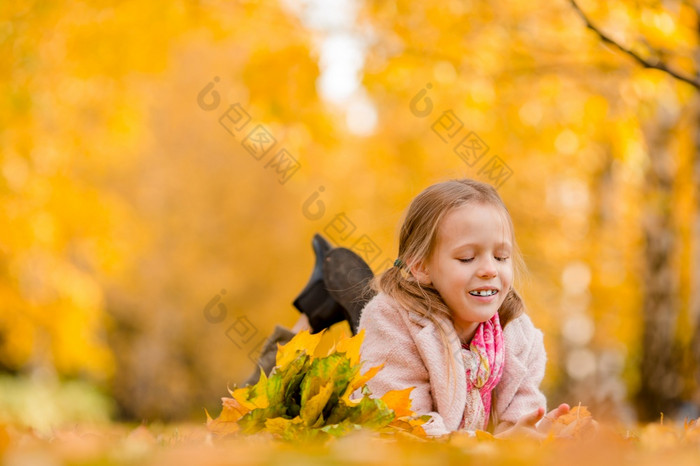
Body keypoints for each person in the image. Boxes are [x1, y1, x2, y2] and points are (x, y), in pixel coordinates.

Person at [358, 178, 570, 437]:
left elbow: (517, 424)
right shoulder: (391, 321)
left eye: (501, 257)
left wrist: (537, 434)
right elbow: (405, 427)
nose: (490, 269)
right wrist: (491, 447)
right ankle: (316, 314)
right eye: (467, 258)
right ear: (421, 267)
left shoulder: (519, 334)